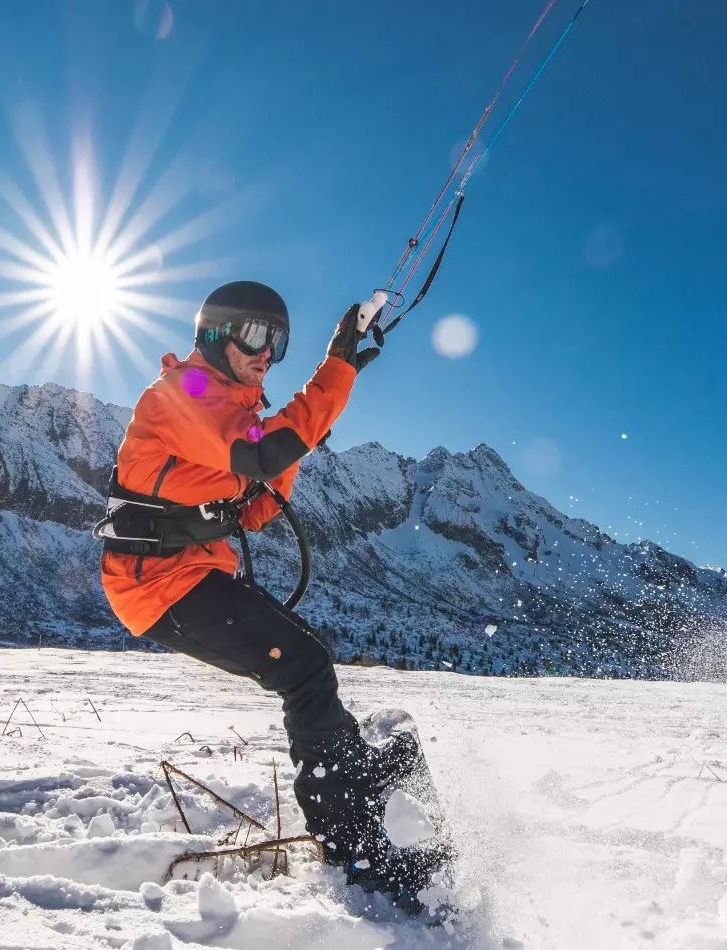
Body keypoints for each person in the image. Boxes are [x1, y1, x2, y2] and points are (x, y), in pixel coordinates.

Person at [97, 281, 445, 907]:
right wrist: (333, 372)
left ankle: (352, 781)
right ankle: (355, 852)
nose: (267, 352)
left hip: (194, 572)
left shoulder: (232, 410)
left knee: (310, 655)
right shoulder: (183, 393)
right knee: (305, 669)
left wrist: (309, 424)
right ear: (214, 333)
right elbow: (261, 455)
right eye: (257, 335)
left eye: (278, 342)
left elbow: (254, 507)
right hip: (156, 585)